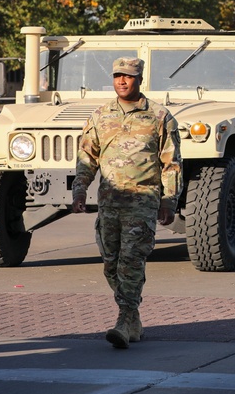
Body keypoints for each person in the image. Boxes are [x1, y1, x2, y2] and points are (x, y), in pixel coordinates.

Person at [71, 57, 183, 349]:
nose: (122, 81)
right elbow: (87, 157)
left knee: (132, 261)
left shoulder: (159, 116)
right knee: (111, 263)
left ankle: (123, 320)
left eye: (128, 76)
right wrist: (80, 190)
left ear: (139, 79)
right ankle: (133, 317)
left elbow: (171, 164)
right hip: (109, 202)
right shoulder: (100, 115)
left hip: (142, 201)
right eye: (117, 75)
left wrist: (169, 201)